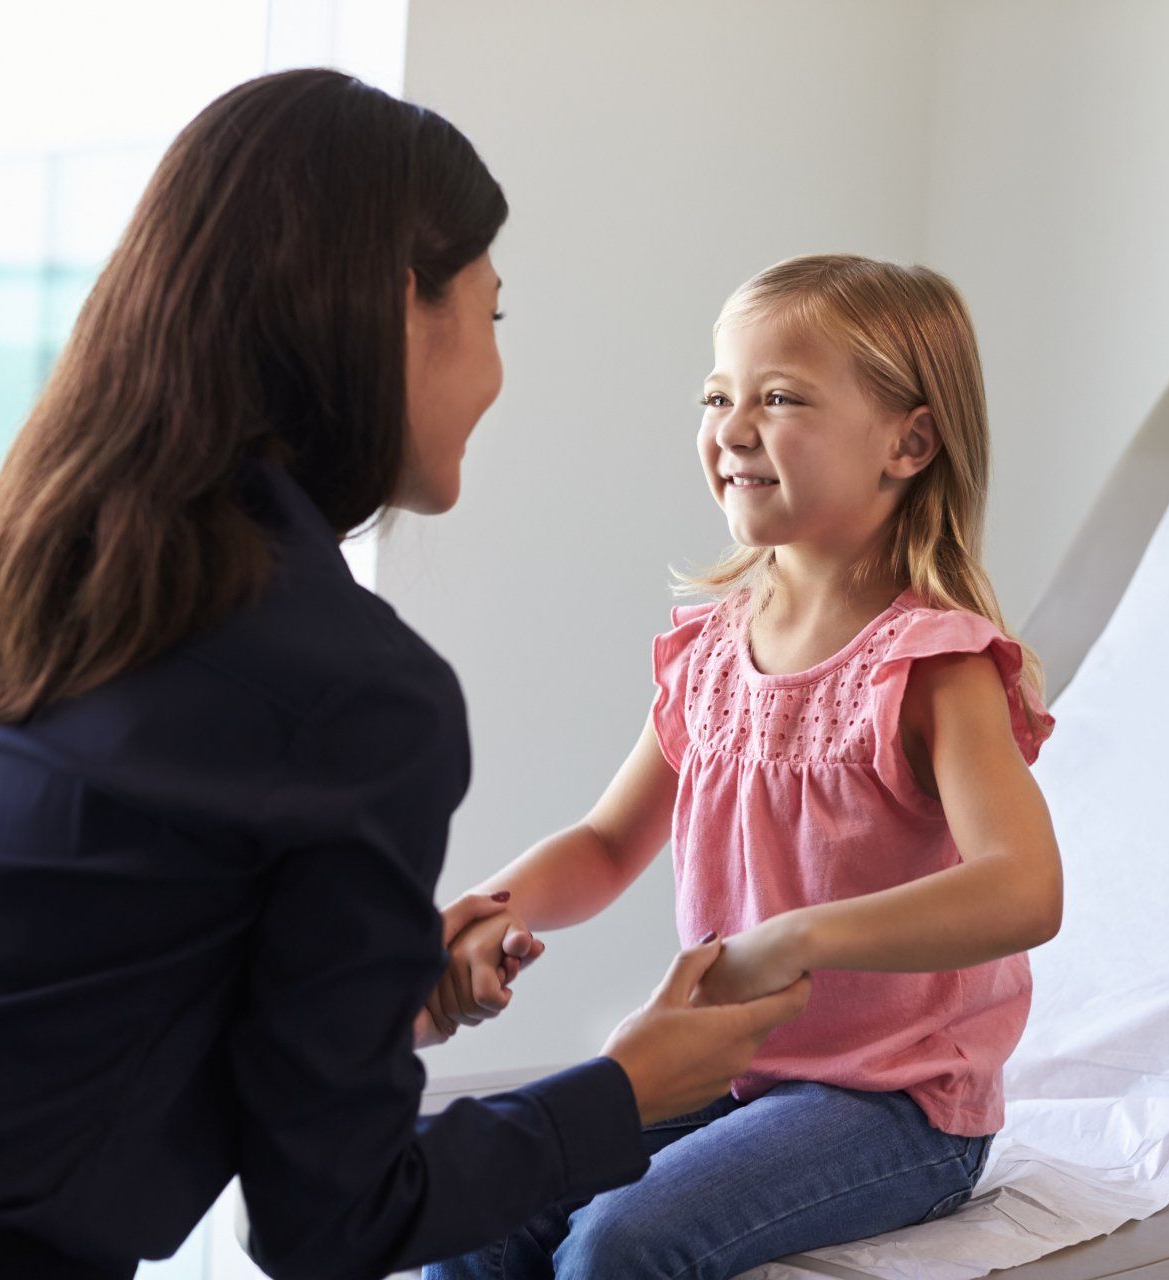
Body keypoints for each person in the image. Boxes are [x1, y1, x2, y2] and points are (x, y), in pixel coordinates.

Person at [0, 68, 807, 1280]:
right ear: (401, 305)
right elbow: (332, 1221)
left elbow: (75, 973)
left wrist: (381, 997)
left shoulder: (45, 572)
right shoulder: (354, 689)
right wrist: (626, 1088)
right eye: (491, 317)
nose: (496, 374)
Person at [420, 253, 1065, 1280]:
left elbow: (1025, 887)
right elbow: (604, 843)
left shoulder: (934, 663)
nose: (731, 426)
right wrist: (495, 903)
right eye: (717, 395)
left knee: (618, 1245)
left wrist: (795, 939)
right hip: (730, 1070)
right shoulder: (712, 652)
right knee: (476, 1218)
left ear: (910, 440)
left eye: (779, 397)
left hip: (896, 1106)